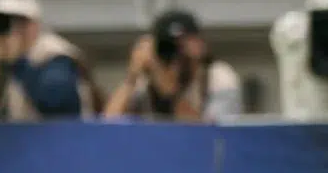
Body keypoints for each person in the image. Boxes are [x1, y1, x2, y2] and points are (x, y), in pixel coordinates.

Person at [104, 8, 242, 119]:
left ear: (200, 45)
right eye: (169, 48)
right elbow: (108, 127)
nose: (175, 56)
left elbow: (210, 137)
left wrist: (171, 94)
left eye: (181, 46)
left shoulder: (218, 77)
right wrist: (131, 77)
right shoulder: (147, 79)